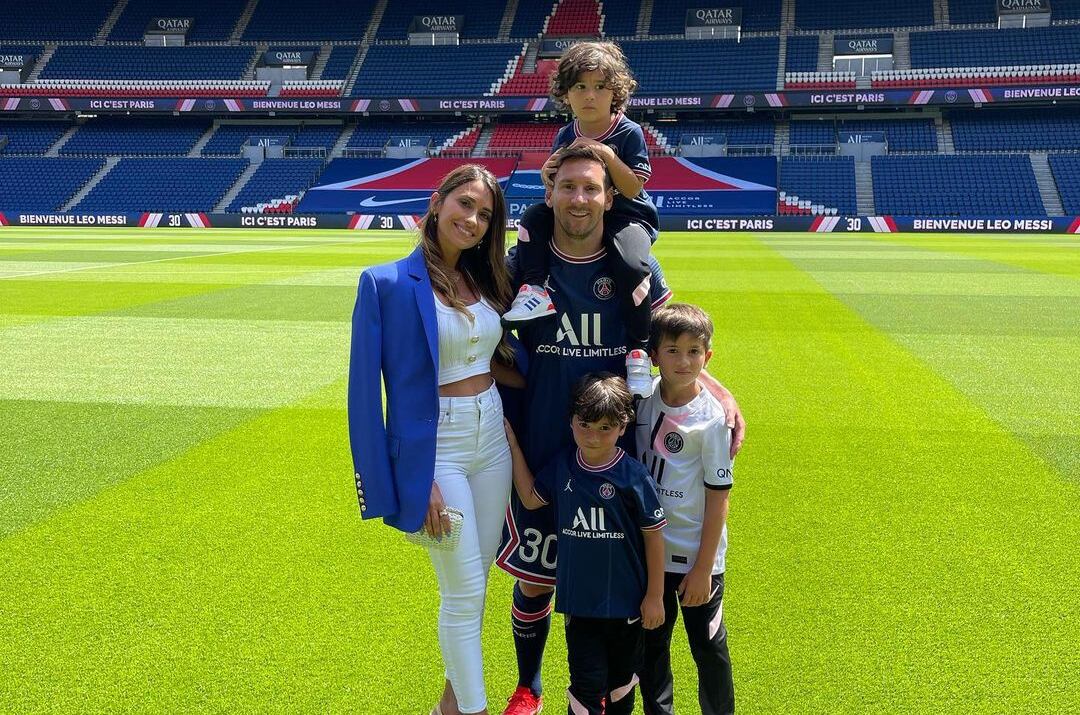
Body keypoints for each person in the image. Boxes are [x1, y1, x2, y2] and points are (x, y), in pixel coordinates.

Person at [495, 144, 746, 715]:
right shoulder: (520, 268)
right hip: (542, 448)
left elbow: (677, 350)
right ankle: (529, 687)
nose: (579, 199)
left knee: (622, 584)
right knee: (537, 577)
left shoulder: (634, 265)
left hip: (618, 456)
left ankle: (611, 693)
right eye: (568, 187)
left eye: (592, 188)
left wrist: (719, 388)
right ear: (549, 192)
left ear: (611, 197)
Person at [349, 164, 524, 715]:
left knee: (477, 587)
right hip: (437, 451)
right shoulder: (385, 284)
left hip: (491, 437)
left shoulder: (488, 280)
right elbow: (363, 401)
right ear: (437, 200)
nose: (472, 220)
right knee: (463, 592)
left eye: (485, 215)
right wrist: (410, 481)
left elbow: (500, 363)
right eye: (465, 205)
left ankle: (449, 708)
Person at [500, 40, 660, 399]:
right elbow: (557, 178)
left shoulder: (628, 132)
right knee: (532, 219)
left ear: (616, 92)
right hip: (584, 214)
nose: (590, 96)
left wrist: (605, 155)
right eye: (580, 87)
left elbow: (633, 188)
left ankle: (637, 350)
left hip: (627, 218)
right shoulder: (566, 133)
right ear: (566, 94)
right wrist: (548, 175)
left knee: (632, 264)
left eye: (600, 87)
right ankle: (535, 289)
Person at [504, 373, 667, 715]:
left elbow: (654, 537)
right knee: (585, 688)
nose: (593, 437)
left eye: (605, 428)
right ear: (571, 421)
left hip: (627, 607)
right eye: (585, 425)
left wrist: (654, 597)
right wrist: (514, 448)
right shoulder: (563, 465)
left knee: (622, 686)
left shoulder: (633, 477)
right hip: (580, 607)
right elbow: (532, 500)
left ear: (623, 427)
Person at [635, 303, 736, 715]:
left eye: (694, 351)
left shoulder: (712, 420)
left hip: (696, 559)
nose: (684, 360)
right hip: (648, 557)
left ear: (707, 357)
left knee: (709, 649)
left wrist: (702, 569)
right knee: (652, 649)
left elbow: (718, 497)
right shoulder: (640, 401)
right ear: (654, 355)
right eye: (673, 350)